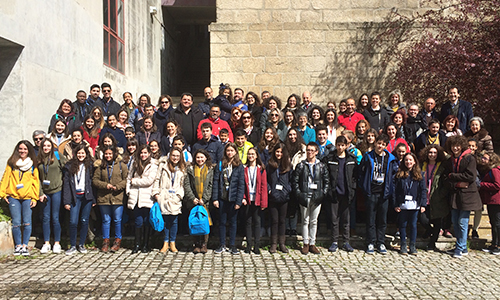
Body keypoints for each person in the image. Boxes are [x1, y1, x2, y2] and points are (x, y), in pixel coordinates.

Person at [358, 134, 398, 255]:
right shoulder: (368, 156)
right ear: (375, 143)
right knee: (370, 219)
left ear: (385, 146)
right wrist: (364, 187)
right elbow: (361, 172)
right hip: (371, 191)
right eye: (378, 143)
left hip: (383, 193)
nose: (380, 146)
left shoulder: (390, 159)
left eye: (382, 144)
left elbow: (393, 175)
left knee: (382, 219)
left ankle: (380, 242)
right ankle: (370, 242)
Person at [443, 135, 482, 258]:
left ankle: (459, 248)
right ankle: (463, 247)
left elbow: (470, 176)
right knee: (455, 221)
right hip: (455, 194)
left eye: (458, 146)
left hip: (468, 196)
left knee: (462, 222)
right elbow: (445, 178)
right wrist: (457, 183)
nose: (455, 148)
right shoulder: (450, 160)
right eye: (453, 146)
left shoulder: (469, 158)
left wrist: (453, 176)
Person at [0, 141, 39, 256]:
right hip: (13, 197)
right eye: (20, 149)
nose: (22, 151)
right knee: (16, 222)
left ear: (29, 151)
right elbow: (5, 178)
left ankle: (25, 246)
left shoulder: (32, 164)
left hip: (27, 197)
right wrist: (3, 193)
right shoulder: (11, 163)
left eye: (25, 149)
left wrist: (34, 197)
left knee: (27, 222)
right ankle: (18, 246)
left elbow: (36, 182)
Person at [292, 142, 330, 255]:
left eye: (312, 150)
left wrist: (323, 193)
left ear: (316, 152)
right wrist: (299, 194)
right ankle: (305, 243)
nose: (309, 153)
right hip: (305, 195)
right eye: (308, 150)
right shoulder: (301, 165)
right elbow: (295, 181)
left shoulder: (321, 166)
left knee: (314, 221)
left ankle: (312, 243)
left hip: (317, 196)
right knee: (305, 220)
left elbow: (326, 181)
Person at [323, 136, 357, 253]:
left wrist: (352, 188)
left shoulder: (351, 159)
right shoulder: (330, 158)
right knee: (334, 219)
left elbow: (354, 176)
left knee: (346, 219)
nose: (340, 147)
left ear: (347, 146)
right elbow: (325, 175)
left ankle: (346, 241)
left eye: (343, 145)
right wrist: (328, 190)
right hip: (334, 193)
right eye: (338, 145)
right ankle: (334, 241)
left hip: (347, 193)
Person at [92, 146, 128, 253]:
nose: (108, 156)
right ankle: (106, 241)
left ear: (114, 154)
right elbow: (95, 180)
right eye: (106, 154)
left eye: (110, 154)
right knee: (106, 220)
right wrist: (105, 185)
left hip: (117, 197)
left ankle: (117, 240)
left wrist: (118, 186)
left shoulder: (121, 165)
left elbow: (126, 179)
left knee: (117, 220)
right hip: (104, 197)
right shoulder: (100, 166)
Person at [213, 143, 245, 255]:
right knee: (221, 222)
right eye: (228, 151)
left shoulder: (239, 166)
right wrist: (215, 198)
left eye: (232, 150)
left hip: (233, 198)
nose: (230, 153)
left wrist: (239, 200)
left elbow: (241, 184)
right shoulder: (221, 164)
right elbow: (216, 182)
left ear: (235, 152)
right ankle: (222, 244)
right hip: (222, 198)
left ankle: (232, 245)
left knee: (233, 222)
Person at [62, 145, 95, 255]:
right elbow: (66, 185)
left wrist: (93, 199)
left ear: (86, 154)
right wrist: (66, 201)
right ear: (75, 154)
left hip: (86, 197)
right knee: (73, 221)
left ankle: (81, 244)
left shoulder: (90, 166)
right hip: (74, 197)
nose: (81, 155)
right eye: (79, 153)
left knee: (84, 221)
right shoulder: (69, 166)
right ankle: (72, 245)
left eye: (83, 153)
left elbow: (92, 183)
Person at [392, 152, 426, 255]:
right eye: (406, 160)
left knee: (413, 225)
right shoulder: (399, 175)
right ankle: (403, 245)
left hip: (414, 205)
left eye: (410, 160)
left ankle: (412, 245)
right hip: (402, 204)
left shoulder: (419, 175)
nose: (408, 162)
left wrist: (423, 204)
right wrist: (395, 204)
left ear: (414, 162)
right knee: (402, 225)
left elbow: (423, 190)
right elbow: (395, 191)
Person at [153, 147, 186, 253]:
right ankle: (165, 242)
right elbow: (157, 179)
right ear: (169, 156)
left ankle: (173, 242)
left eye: (177, 156)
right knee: (166, 220)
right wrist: (156, 193)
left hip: (175, 197)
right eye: (173, 155)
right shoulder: (163, 166)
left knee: (174, 221)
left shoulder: (182, 168)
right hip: (164, 196)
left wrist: (179, 195)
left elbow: (183, 184)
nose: (175, 158)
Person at [127, 145, 159, 253]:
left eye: (145, 153)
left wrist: (134, 181)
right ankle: (137, 244)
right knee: (138, 222)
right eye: (141, 153)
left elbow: (149, 181)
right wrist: (128, 190)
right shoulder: (135, 163)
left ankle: (146, 244)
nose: (143, 155)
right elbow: (128, 177)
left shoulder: (153, 165)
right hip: (135, 196)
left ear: (149, 153)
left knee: (146, 222)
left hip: (147, 196)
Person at [419, 145, 450, 251]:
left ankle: (432, 244)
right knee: (423, 219)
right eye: (430, 152)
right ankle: (429, 230)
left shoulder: (442, 166)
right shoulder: (422, 165)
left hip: (437, 198)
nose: (432, 155)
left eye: (435, 153)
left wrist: (441, 194)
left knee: (437, 222)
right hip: (424, 198)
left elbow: (445, 183)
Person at [183, 149, 214, 254]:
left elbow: (210, 185)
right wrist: (192, 198)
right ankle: (196, 243)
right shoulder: (190, 169)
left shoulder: (210, 169)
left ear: (206, 158)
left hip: (205, 201)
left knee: (205, 222)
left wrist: (204, 199)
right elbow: (186, 185)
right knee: (195, 222)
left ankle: (204, 244)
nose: (200, 159)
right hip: (194, 201)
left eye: (202, 157)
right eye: (198, 157)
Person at [266, 143, 293, 253]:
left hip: (284, 197)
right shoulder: (270, 165)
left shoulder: (288, 165)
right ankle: (273, 244)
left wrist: (288, 190)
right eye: (277, 151)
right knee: (274, 220)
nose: (279, 154)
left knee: (282, 221)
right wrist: (269, 189)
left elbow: (291, 180)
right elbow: (266, 179)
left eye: (281, 152)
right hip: (273, 196)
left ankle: (282, 243)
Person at [242, 147, 268, 254]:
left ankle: (256, 245)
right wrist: (243, 197)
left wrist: (263, 202)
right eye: (249, 154)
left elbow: (263, 186)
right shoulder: (244, 169)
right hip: (248, 199)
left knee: (257, 222)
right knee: (248, 222)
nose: (251, 156)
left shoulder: (261, 169)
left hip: (257, 199)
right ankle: (248, 245)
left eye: (253, 154)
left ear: (256, 156)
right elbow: (242, 185)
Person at [479, 151, 500, 255]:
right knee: (493, 223)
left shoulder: (495, 170)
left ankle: (497, 245)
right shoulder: (489, 170)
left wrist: (482, 184)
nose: (483, 160)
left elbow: (497, 185)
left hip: (496, 200)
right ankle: (494, 243)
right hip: (492, 200)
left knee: (496, 223)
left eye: (485, 158)